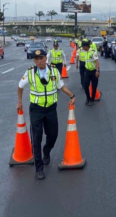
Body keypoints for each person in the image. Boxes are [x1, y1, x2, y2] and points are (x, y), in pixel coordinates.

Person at [17, 49, 76, 180]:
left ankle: (47, 150)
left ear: (45, 59)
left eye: (41, 58)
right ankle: (39, 168)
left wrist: (72, 95)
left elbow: (61, 86)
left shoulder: (54, 71)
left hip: (51, 109)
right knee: (36, 138)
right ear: (34, 60)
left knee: (53, 135)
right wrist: (19, 102)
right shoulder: (30, 72)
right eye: (36, 59)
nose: (39, 61)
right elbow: (20, 86)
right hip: (36, 109)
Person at [79, 41, 100, 106]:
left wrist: (97, 71)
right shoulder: (84, 52)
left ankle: (92, 100)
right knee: (85, 85)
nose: (82, 48)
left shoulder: (93, 52)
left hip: (94, 71)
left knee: (94, 86)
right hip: (87, 71)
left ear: (86, 46)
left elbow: (97, 62)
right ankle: (88, 98)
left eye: (83, 46)